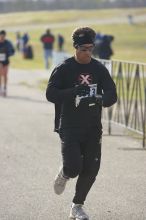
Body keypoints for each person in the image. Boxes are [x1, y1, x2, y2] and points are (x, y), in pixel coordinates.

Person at [46, 27, 117, 220]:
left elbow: (112, 94)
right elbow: (50, 94)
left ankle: (77, 206)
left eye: (90, 48)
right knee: (74, 167)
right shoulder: (64, 68)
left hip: (93, 127)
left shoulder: (99, 69)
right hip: (69, 124)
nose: (88, 52)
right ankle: (66, 171)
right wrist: (73, 92)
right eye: (84, 49)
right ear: (76, 48)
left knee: (91, 169)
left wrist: (102, 99)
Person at [0, 30, 15, 97]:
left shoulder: (8, 43)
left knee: (5, 75)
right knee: (0, 74)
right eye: (1, 36)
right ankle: (1, 89)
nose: (2, 38)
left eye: (3, 36)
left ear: (5, 36)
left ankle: (5, 88)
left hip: (6, 61)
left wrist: (9, 54)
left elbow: (13, 50)